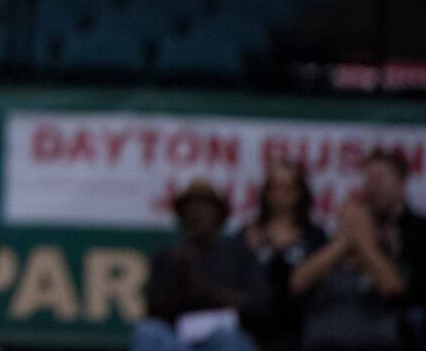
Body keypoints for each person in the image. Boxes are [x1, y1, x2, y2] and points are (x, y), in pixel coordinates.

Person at [292, 149, 426, 351]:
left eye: (380, 178)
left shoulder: (418, 233)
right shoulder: (336, 234)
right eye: (369, 179)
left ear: (401, 182)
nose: (373, 186)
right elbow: (297, 284)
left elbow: (397, 289)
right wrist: (345, 240)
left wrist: (363, 243)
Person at [133, 179, 269, 351]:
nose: (197, 212)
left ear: (219, 214)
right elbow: (153, 310)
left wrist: (205, 290)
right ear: (181, 215)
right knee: (147, 332)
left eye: (205, 205)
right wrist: (178, 282)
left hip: (225, 337)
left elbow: (260, 309)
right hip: (178, 340)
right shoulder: (168, 257)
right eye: (191, 206)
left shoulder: (240, 254)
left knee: (230, 339)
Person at [239, 161, 327, 351]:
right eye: (274, 187)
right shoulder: (247, 235)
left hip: (303, 329)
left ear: (301, 192)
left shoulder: (315, 237)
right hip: (253, 331)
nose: (280, 193)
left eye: (287, 187)